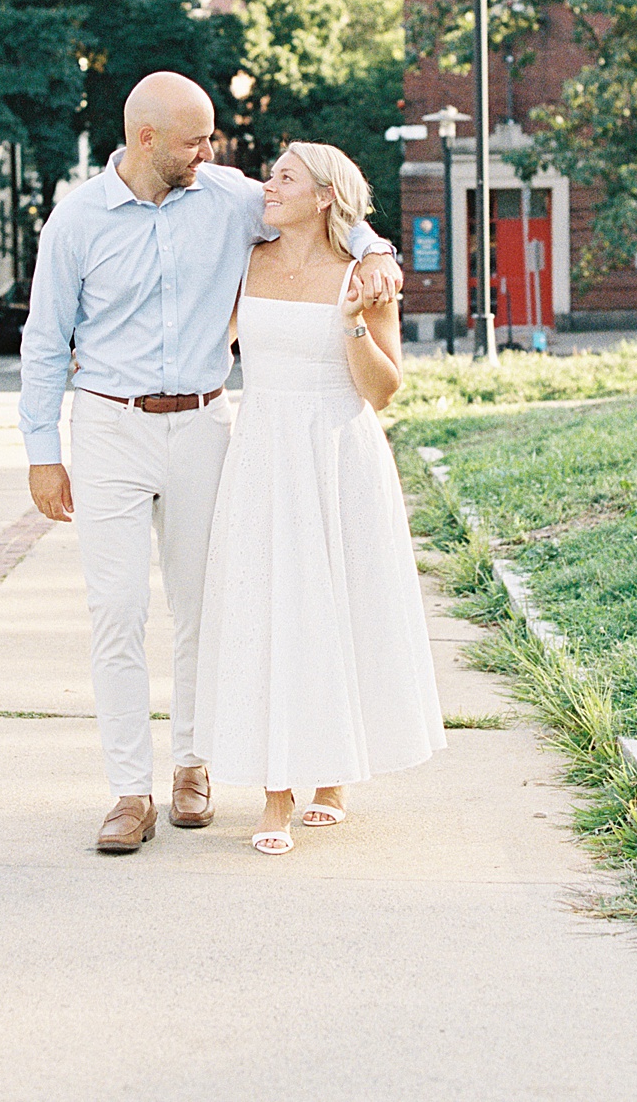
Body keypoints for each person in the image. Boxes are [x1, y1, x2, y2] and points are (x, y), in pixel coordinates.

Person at [19, 73, 401, 854]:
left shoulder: (228, 195)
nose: (213, 151)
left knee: (202, 608)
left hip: (202, 421)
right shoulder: (77, 220)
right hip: (107, 424)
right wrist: (41, 452)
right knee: (116, 612)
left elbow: (332, 217)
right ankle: (130, 791)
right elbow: (43, 338)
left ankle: (192, 767)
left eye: (212, 138)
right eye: (196, 138)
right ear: (146, 138)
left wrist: (377, 253)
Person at [193, 141, 445, 854]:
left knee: (335, 607)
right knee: (268, 606)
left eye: (284, 177)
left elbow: (385, 388)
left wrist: (354, 322)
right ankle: (274, 791)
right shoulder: (247, 263)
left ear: (325, 195)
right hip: (264, 448)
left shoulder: (362, 276)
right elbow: (210, 336)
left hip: (338, 450)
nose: (268, 186)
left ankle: (331, 776)